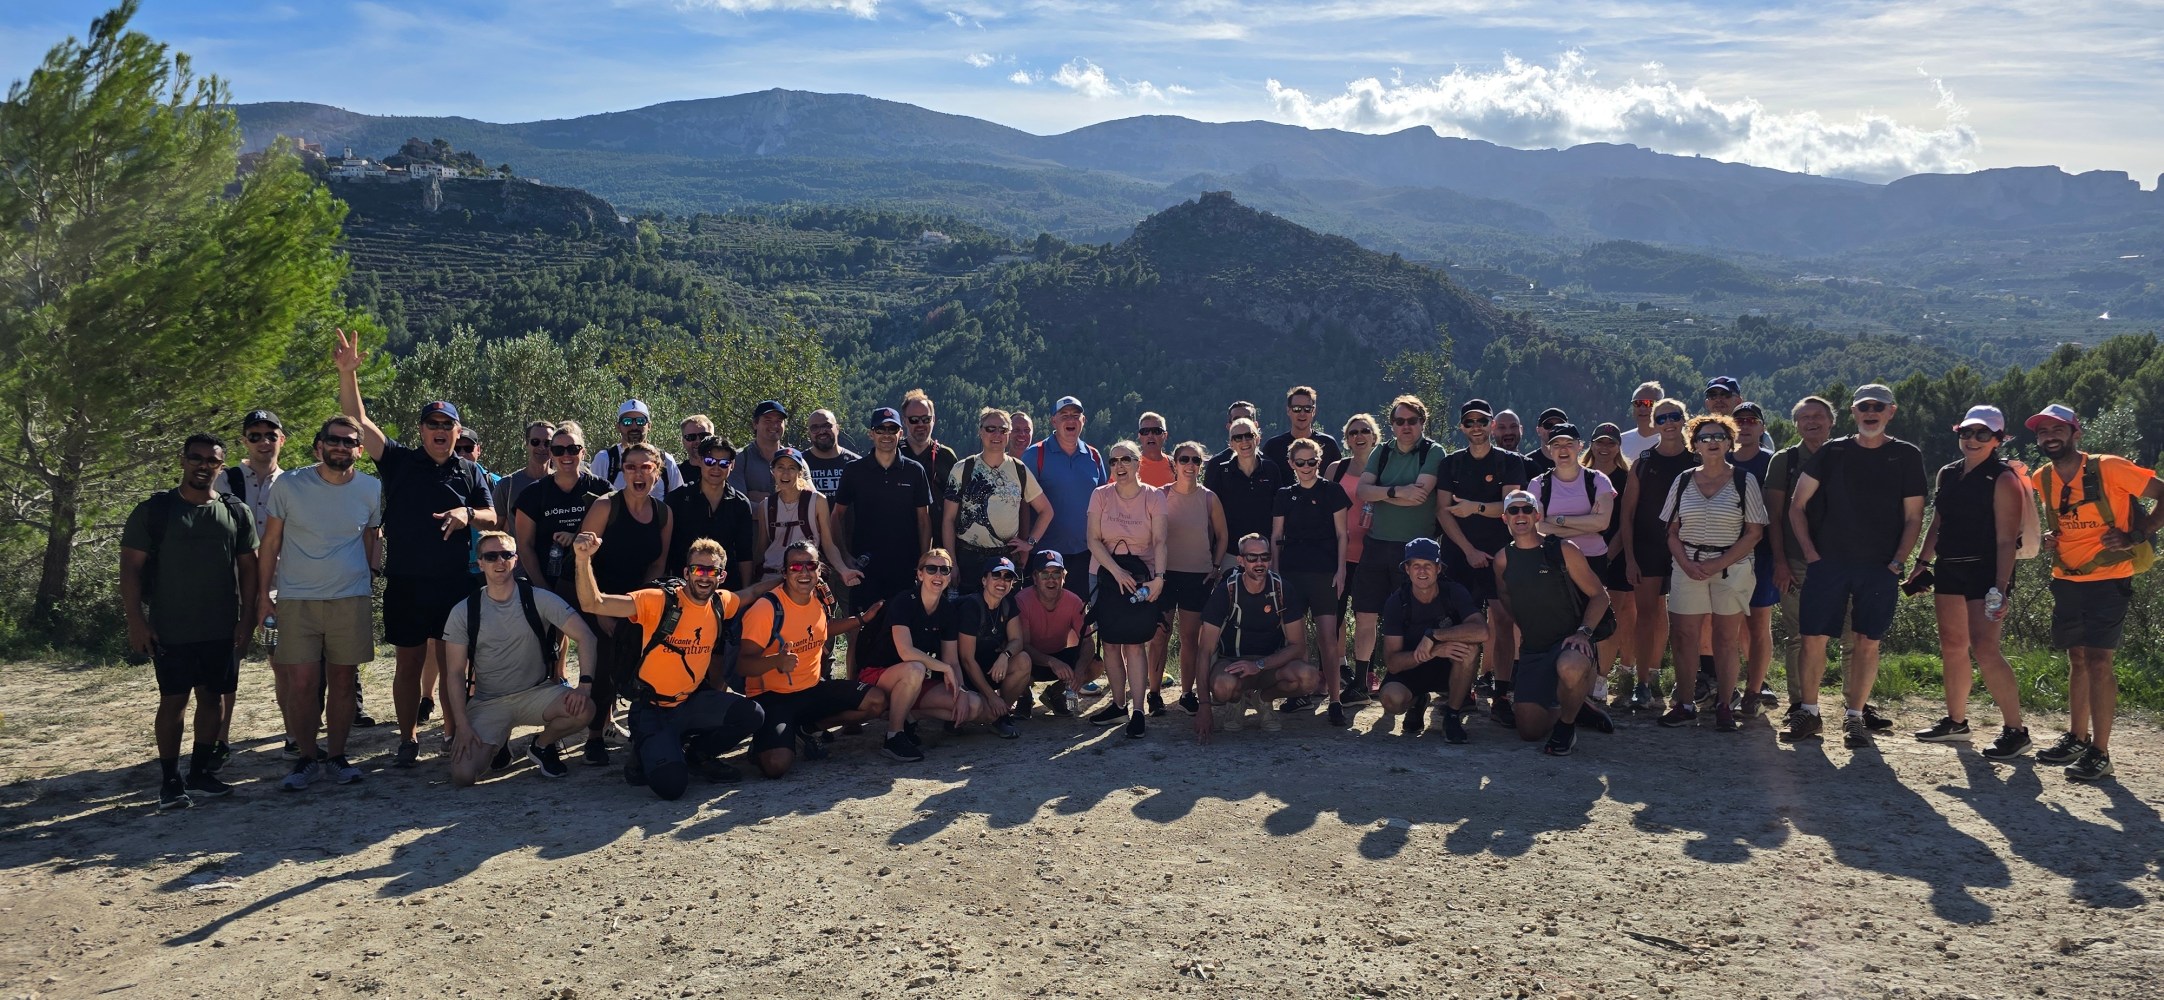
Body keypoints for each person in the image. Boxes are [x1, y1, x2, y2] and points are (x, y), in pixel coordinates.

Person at [335, 329, 496, 768]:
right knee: (407, 665)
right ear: (421, 430)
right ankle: (407, 740)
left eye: (448, 426)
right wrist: (349, 375)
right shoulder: (398, 461)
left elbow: (492, 517)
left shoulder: (469, 471)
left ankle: (450, 733)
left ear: (458, 431)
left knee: (451, 668)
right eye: (433, 425)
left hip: (454, 585)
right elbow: (357, 422)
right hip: (406, 582)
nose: (441, 432)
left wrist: (466, 515)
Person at [1781, 384, 1927, 749]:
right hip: (1828, 564)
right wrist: (1812, 555)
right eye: (1864, 406)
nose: (1871, 412)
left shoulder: (1907, 455)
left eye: (1878, 406)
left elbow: (1914, 517)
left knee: (1867, 642)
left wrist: (1897, 562)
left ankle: (1855, 718)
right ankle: (1810, 712)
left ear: (1891, 411)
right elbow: (1797, 506)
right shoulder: (1833, 452)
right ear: (1853, 412)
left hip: (1879, 568)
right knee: (1813, 639)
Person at [573, 534, 769, 799]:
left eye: (712, 571)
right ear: (686, 572)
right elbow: (593, 603)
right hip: (653, 708)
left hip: (691, 702)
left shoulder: (721, 602)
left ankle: (698, 754)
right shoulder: (658, 600)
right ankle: (647, 749)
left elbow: (753, 592)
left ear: (721, 576)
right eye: (698, 569)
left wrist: (793, 577)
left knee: (752, 714)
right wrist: (583, 559)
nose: (704, 576)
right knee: (671, 787)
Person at [122, 434, 259, 811]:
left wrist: (247, 618)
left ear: (221, 465)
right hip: (171, 626)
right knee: (173, 701)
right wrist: (137, 620)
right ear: (182, 461)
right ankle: (170, 781)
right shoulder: (157, 511)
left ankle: (199, 773)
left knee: (212, 700)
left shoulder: (235, 511)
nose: (203, 466)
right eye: (195, 458)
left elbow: (250, 569)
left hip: (221, 626)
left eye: (212, 461)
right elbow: (131, 569)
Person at [2027, 403, 2163, 780]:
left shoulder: (2110, 467)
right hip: (2067, 578)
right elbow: (2063, 522)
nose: (2048, 437)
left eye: (2056, 430)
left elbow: (2163, 493)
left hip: (2108, 578)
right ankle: (2076, 737)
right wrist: (2052, 539)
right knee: (2077, 659)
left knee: (2100, 662)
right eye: (2042, 432)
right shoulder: (2043, 478)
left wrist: (2137, 534)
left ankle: (2100, 753)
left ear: (2076, 433)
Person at [259, 417, 381, 792]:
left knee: (344, 680)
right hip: (297, 598)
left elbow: (371, 536)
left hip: (350, 597)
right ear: (319, 446)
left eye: (349, 442)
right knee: (302, 683)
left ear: (359, 451)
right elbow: (271, 542)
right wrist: (264, 594)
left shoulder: (371, 488)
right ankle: (307, 757)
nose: (341, 447)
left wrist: (370, 578)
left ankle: (338, 756)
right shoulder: (288, 484)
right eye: (334, 440)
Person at [1908, 406, 2028, 758]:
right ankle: (1956, 723)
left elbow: (2007, 540)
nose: (1972, 440)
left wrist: (2001, 587)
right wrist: (1922, 561)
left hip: (1986, 572)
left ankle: (2016, 730)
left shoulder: (2003, 479)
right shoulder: (1948, 473)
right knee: (1952, 646)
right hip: (1949, 567)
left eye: (1982, 434)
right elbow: (1938, 521)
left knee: (1986, 649)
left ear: (1998, 440)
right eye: (1967, 432)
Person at [442, 531, 598, 786]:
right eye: (491, 556)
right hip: (488, 702)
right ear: (479, 563)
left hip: (536, 693)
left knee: (584, 710)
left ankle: (542, 745)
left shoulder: (538, 598)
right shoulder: (464, 611)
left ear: (516, 559)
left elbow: (587, 637)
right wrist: (462, 725)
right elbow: (455, 674)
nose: (499, 561)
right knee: (463, 776)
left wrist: (584, 687)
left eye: (506, 554)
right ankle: (499, 743)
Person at [738, 540, 886, 778]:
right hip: (773, 698)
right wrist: (776, 661)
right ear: (784, 572)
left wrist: (861, 620)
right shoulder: (766, 609)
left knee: (876, 701)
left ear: (820, 570)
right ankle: (764, 742)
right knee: (777, 766)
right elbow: (743, 664)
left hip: (811, 690)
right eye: (796, 567)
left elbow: (822, 628)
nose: (804, 572)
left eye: (811, 566)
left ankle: (805, 729)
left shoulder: (818, 597)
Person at [1657, 414, 1768, 732]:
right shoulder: (1682, 481)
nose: (1712, 442)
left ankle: (1723, 706)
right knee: (1684, 636)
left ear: (1730, 442)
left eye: (1719, 436)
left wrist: (1718, 564)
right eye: (1705, 438)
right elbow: (1672, 531)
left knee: (1725, 638)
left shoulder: (1744, 481)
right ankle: (1685, 704)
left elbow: (1754, 533)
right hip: (1687, 565)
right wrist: (1689, 564)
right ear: (1695, 445)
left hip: (1731, 568)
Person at [574, 442, 675, 765]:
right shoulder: (606, 507)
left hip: (638, 600)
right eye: (631, 467)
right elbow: (582, 559)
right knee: (604, 665)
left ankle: (642, 730)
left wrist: (642, 607)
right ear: (622, 473)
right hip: (595, 594)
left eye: (646, 467)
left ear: (656, 473)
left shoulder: (663, 513)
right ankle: (594, 736)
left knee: (643, 666)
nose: (638, 473)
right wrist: (602, 607)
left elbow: (658, 563)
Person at [1493, 490, 1610, 755]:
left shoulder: (1564, 550)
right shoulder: (1502, 560)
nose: (1520, 515)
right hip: (1533, 649)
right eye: (1513, 511)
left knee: (1570, 665)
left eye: (1526, 510)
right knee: (1528, 731)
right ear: (1505, 518)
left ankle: (1566, 728)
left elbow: (1599, 596)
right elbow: (1506, 596)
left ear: (1538, 515)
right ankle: (1575, 706)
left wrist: (1583, 633)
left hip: (1570, 642)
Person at [1437, 398, 1528, 724]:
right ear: (1462, 427)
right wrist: (1468, 550)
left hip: (1502, 555)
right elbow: (1443, 512)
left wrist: (1474, 507)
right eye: (1469, 422)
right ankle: (1461, 692)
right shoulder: (1451, 463)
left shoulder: (1510, 462)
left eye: (1481, 421)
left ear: (1491, 425)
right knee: (1462, 625)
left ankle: (1502, 693)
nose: (1475, 427)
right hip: (1459, 555)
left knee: (1503, 622)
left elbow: (1509, 507)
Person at [853, 548, 988, 761]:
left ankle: (909, 715)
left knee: (973, 705)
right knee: (916, 667)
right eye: (931, 568)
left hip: (912, 680)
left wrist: (961, 691)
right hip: (877, 676)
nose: (938, 575)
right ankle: (894, 736)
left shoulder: (947, 610)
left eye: (944, 570)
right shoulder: (904, 600)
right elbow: (906, 652)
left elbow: (952, 659)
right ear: (920, 574)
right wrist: (942, 668)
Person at [1767, 396, 1855, 717]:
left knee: (1853, 637)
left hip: (1846, 563)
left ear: (1832, 422)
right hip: (1796, 563)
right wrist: (1779, 561)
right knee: (1799, 637)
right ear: (1796, 425)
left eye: (1818, 416)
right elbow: (1774, 516)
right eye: (1804, 417)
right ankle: (1798, 706)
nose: (1812, 421)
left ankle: (1855, 706)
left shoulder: (1850, 456)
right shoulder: (1784, 461)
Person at [1353, 395, 1445, 694]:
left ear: (1422, 423)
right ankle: (1361, 681)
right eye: (1399, 421)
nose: (1406, 426)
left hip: (1415, 548)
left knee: (1407, 617)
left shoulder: (1433, 451)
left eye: (1412, 421)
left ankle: (1403, 679)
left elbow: (1420, 493)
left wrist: (1385, 492)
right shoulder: (1381, 451)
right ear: (1391, 425)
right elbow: (1362, 492)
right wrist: (1398, 491)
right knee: (1366, 614)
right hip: (1377, 544)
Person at [1528, 423, 1618, 708]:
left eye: (1569, 444)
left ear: (1580, 447)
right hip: (1554, 560)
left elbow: (1603, 523)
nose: (1563, 450)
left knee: (1597, 623)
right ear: (1548, 450)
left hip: (1593, 560)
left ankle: (1595, 685)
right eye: (1556, 445)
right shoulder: (1538, 484)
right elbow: (1534, 525)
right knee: (1558, 623)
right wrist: (1583, 523)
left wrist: (1559, 521)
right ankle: (1562, 685)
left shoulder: (1597, 480)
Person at [1615, 397, 1696, 714]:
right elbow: (1627, 514)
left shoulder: (1696, 461)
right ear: (1655, 423)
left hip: (1686, 550)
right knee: (1646, 618)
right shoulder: (1644, 461)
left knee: (1683, 623)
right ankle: (1643, 683)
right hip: (1647, 549)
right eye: (1662, 418)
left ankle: (1684, 685)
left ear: (1683, 419)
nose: (1668, 423)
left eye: (1674, 416)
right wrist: (1630, 558)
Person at [1197, 534, 1321, 740]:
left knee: (1309, 677)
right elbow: (1204, 651)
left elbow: (1298, 646)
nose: (1259, 563)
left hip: (1270, 664)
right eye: (1252, 558)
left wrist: (1260, 665)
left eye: (1265, 557)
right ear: (1240, 560)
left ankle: (1263, 700)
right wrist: (1203, 706)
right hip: (1232, 663)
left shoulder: (1282, 589)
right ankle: (1235, 703)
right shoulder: (1225, 591)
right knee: (1222, 686)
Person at [1087, 440, 1170, 734]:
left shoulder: (1154, 496)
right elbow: (1093, 540)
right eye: (1113, 461)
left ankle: (1137, 711)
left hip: (1143, 576)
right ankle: (1118, 706)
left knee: (1135, 644)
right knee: (1109, 642)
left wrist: (1159, 578)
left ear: (1138, 464)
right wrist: (1116, 571)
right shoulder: (1100, 495)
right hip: (1106, 574)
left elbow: (1160, 540)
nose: (1119, 466)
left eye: (1125, 460)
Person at [1272, 437, 1352, 725]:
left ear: (1319, 461)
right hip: (1291, 573)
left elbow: (1343, 534)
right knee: (1296, 640)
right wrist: (1276, 574)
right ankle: (1302, 693)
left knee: (1328, 639)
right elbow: (1276, 536)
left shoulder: (1333, 491)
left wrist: (1341, 570)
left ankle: (1334, 699)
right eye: (1300, 462)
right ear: (1291, 464)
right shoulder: (1284, 494)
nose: (1306, 467)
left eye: (1312, 461)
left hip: (1324, 573)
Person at [832, 407, 935, 629]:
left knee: (902, 628)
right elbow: (836, 516)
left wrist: (924, 559)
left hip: (905, 566)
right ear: (871, 433)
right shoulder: (854, 470)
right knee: (861, 632)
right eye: (881, 429)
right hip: (865, 566)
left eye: (892, 429)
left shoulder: (915, 471)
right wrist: (844, 555)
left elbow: (924, 521)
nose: (886, 434)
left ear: (900, 433)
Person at [1376, 538, 1487, 742]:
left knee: (1470, 649)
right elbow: (1392, 663)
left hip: (1450, 667)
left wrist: (1434, 636)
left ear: (1438, 568)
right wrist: (1434, 651)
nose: (1422, 571)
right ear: (1407, 569)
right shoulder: (1397, 602)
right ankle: (1417, 701)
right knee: (1392, 699)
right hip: (1412, 667)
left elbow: (1482, 631)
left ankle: (1452, 715)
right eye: (1416, 565)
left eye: (1428, 565)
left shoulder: (1454, 592)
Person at [944, 409, 1053, 590]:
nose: (996, 435)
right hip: (967, 560)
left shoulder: (1019, 469)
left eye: (1002, 430)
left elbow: (1046, 511)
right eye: (990, 429)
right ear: (980, 432)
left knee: (1005, 615)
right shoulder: (962, 468)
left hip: (1005, 560)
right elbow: (948, 520)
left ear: (1008, 434)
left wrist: (1030, 543)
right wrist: (952, 563)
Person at [1162, 439, 1229, 715]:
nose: (1190, 465)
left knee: (1190, 638)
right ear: (1174, 464)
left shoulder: (1209, 497)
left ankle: (1186, 693)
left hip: (1198, 575)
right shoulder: (1159, 494)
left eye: (1196, 460)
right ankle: (1154, 693)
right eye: (1184, 459)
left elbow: (1223, 535)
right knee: (1159, 635)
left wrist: (1215, 566)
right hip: (1164, 574)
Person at [513, 423, 611, 604]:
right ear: (551, 454)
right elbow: (525, 545)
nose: (566, 455)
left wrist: (575, 537)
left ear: (583, 453)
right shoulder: (532, 495)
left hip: (597, 584)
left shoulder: (601, 488)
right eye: (558, 450)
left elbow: (613, 533)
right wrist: (543, 589)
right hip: (549, 584)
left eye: (573, 449)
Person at [1021, 396, 1107, 601]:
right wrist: (1027, 542)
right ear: (1053, 421)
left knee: (1078, 614)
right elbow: (1021, 503)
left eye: (1076, 416)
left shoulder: (1093, 456)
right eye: (1064, 415)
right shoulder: (1035, 455)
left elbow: (1105, 502)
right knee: (1039, 615)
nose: (1071, 420)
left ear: (1083, 421)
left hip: (1083, 553)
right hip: (1042, 553)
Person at [1584, 423, 1641, 710]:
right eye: (1599, 442)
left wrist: (1608, 554)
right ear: (1591, 444)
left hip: (1614, 557)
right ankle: (1584, 674)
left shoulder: (1626, 477)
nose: (1604, 448)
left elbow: (1625, 521)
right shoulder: (1581, 476)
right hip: (1581, 555)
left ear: (1619, 446)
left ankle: (1601, 679)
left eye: (1611, 443)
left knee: (1612, 616)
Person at [1729, 401, 1781, 714]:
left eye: (1751, 420)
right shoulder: (1720, 459)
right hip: (1725, 553)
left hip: (1762, 554)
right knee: (1728, 626)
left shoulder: (1772, 462)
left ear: (1761, 428)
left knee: (1759, 624)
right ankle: (1728, 687)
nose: (1745, 426)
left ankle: (1755, 690)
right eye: (1739, 421)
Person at [665, 434, 761, 591]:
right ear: (700, 461)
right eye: (710, 461)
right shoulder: (678, 499)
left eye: (724, 463)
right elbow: (666, 550)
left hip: (725, 589)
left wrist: (745, 592)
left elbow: (744, 554)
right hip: (683, 588)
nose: (716, 468)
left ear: (732, 465)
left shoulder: (740, 504)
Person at [1329, 413, 1380, 704]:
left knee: (1367, 616)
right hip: (1339, 555)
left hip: (1373, 555)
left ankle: (1367, 674)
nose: (1358, 436)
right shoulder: (1337, 469)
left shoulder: (1385, 468)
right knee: (1334, 615)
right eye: (1352, 432)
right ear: (1346, 439)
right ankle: (1335, 669)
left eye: (1364, 431)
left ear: (1375, 436)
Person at [758, 447, 857, 586]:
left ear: (800, 473)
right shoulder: (766, 506)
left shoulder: (817, 501)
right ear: (772, 471)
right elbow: (760, 551)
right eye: (780, 467)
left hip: (805, 577)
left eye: (792, 468)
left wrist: (843, 570)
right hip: (772, 577)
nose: (786, 473)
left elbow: (828, 545)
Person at [1016, 550, 1097, 715]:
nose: (1051, 580)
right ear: (1035, 578)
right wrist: (1051, 662)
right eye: (1045, 574)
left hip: (1060, 657)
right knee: (1019, 658)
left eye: (1056, 574)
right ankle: (1024, 695)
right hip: (1031, 659)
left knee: (1096, 664)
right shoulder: (1021, 600)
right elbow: (1022, 644)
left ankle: (1054, 693)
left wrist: (1080, 670)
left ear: (1064, 577)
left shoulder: (1074, 601)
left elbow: (1088, 641)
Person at [955, 556, 1028, 737]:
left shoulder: (1008, 603)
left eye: (1007, 577)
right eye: (996, 575)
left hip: (992, 668)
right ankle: (964, 716)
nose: (1002, 582)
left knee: (1023, 661)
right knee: (976, 707)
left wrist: (1005, 656)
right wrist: (992, 696)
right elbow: (966, 659)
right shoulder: (971, 606)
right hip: (963, 676)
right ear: (984, 580)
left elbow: (1017, 640)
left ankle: (998, 718)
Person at [1205, 417, 1283, 572]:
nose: (1244, 441)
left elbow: (1278, 517)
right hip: (1230, 553)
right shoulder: (1221, 472)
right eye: (1237, 437)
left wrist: (1275, 557)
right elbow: (1211, 516)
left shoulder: (1271, 469)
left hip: (1264, 554)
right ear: (1231, 444)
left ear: (1258, 438)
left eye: (1249, 436)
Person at [592, 399, 685, 498]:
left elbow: (679, 501)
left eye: (640, 421)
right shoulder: (605, 459)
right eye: (627, 421)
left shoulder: (666, 461)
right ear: (618, 426)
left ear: (649, 426)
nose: (634, 426)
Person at [492, 420, 557, 530]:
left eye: (547, 443)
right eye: (535, 442)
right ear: (526, 443)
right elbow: (495, 527)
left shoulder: (562, 482)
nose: (542, 447)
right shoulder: (508, 484)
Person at [1263, 385, 1343, 471]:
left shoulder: (1328, 444)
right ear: (1288, 411)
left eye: (1307, 409)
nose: (1302, 413)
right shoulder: (1273, 447)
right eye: (1297, 408)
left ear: (1314, 411)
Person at [901, 389, 961, 492]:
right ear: (904, 421)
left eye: (926, 419)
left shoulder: (946, 456)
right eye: (914, 419)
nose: (920, 424)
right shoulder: (894, 454)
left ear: (933, 419)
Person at [1704, 377, 1775, 451]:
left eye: (1725, 395)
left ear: (1738, 401)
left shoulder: (1760, 437)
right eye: (1712, 395)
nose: (1718, 399)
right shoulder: (1697, 433)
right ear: (1707, 403)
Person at [802, 409, 860, 497]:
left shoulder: (857, 464)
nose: (822, 431)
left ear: (837, 428)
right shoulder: (799, 463)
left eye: (827, 426)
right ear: (808, 433)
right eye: (815, 428)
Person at [1617, 382, 1664, 463]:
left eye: (1648, 403)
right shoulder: (1621, 441)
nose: (1642, 408)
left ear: (1660, 407)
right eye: (1637, 403)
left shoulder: (1670, 440)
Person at [1526, 407, 1572, 474]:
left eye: (1560, 425)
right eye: (1548, 425)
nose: (1554, 429)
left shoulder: (1575, 463)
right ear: (1538, 431)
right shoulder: (1527, 464)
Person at [1135, 412, 1176, 487]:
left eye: (1156, 431)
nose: (1150, 435)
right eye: (1145, 431)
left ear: (1165, 435)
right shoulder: (1129, 466)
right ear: (1139, 436)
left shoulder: (1175, 466)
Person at [675, 414, 715, 485]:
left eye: (703, 436)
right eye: (690, 437)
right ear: (683, 441)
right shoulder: (674, 474)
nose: (698, 441)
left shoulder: (724, 470)